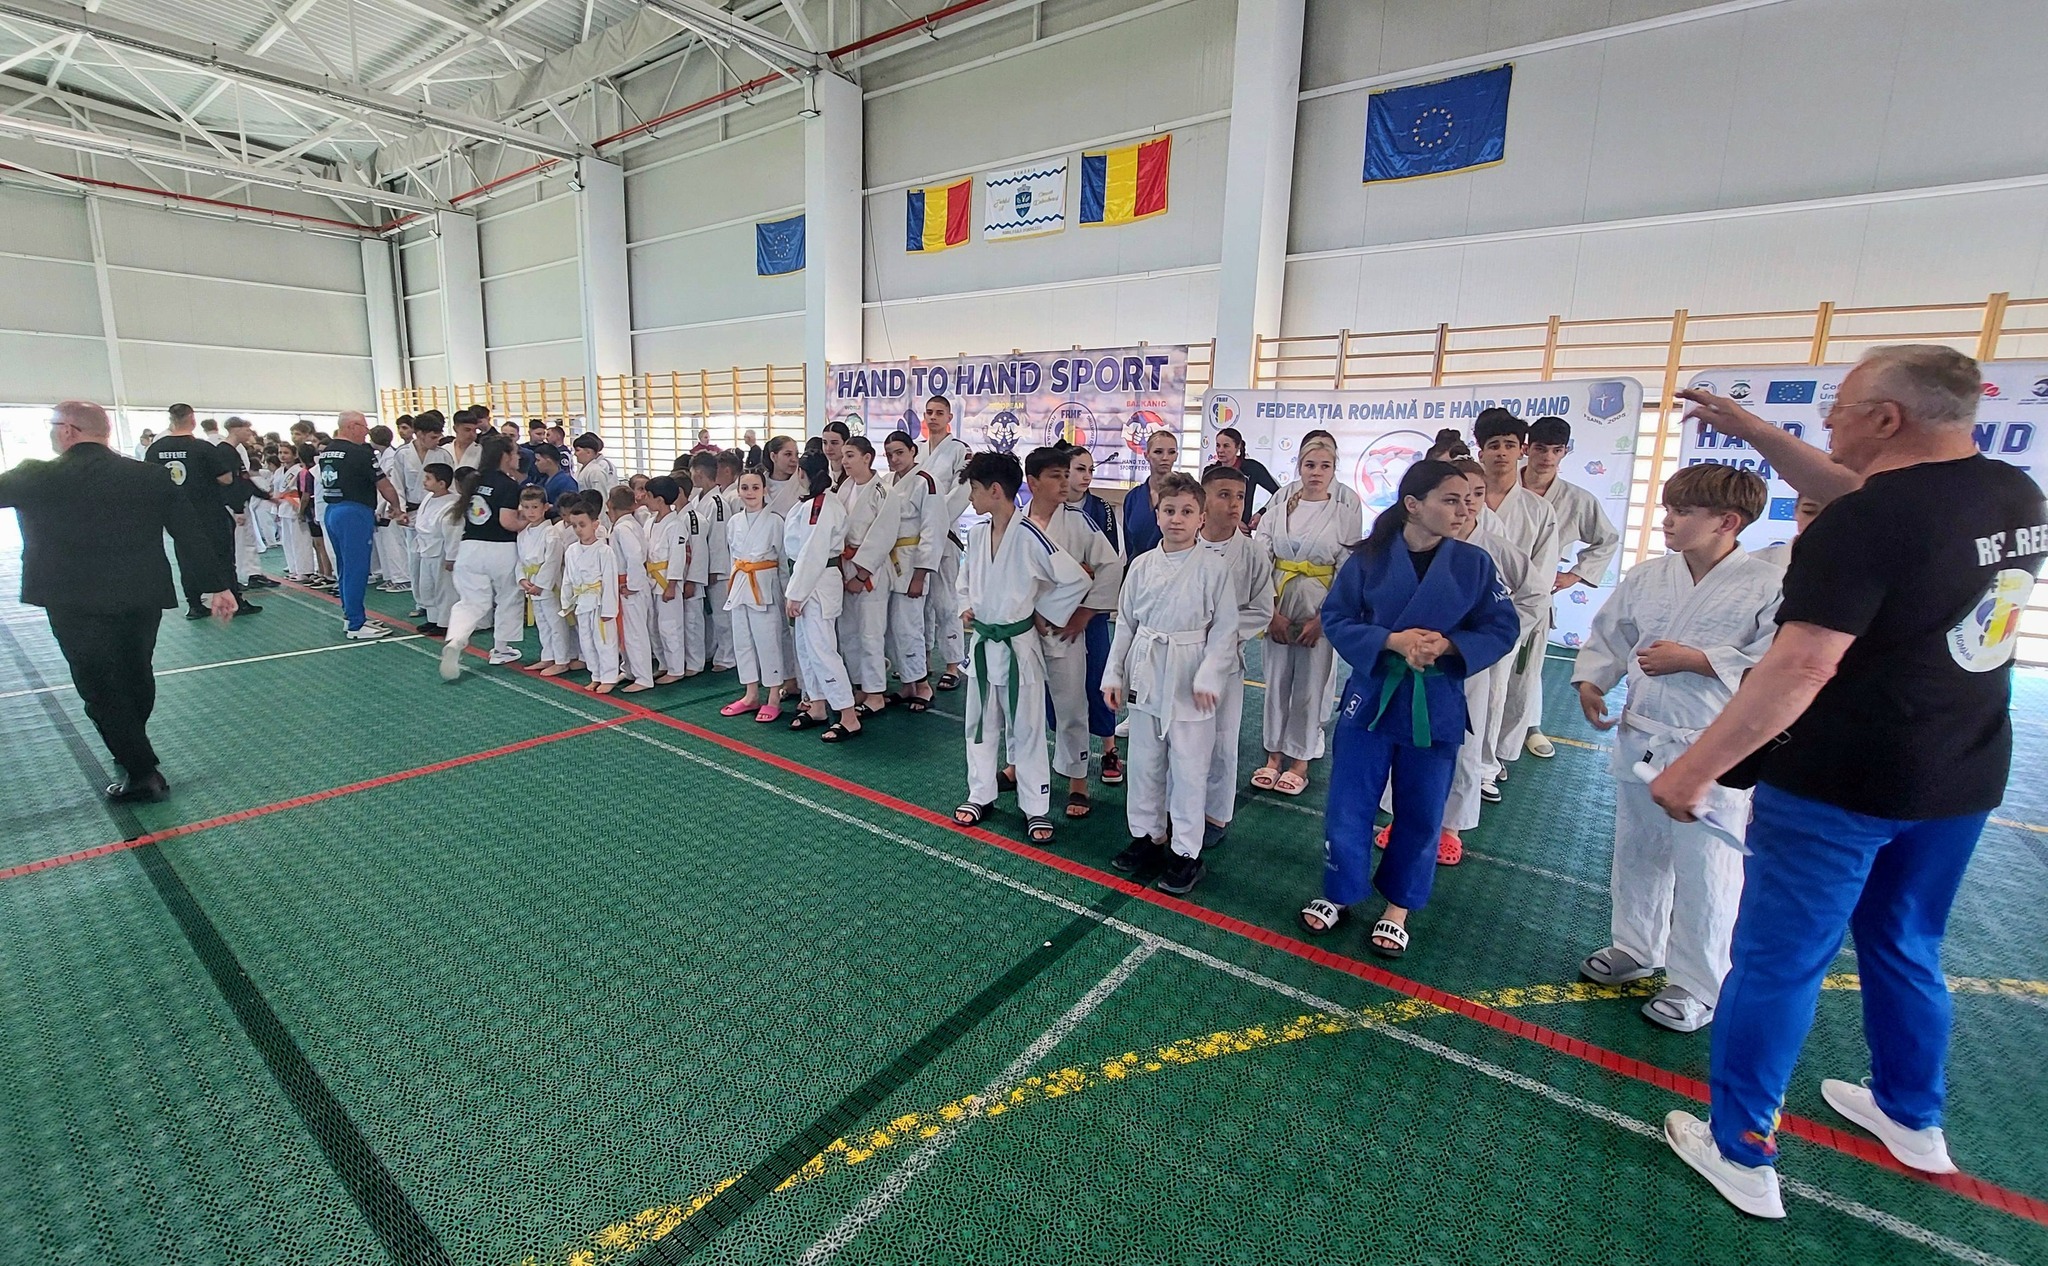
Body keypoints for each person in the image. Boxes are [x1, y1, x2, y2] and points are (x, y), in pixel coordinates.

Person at [1652, 346, 2047, 1219]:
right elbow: (1883, 501)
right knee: (1905, 944)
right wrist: (1752, 430)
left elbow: (1801, 666)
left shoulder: (1858, 525)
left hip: (1844, 781)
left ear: (1887, 419)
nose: (1828, 420)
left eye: (1841, 407)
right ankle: (1912, 1116)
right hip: (1961, 773)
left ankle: (1741, 1150)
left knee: (1777, 964)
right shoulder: (2011, 493)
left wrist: (1696, 765)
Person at [1572, 464, 1780, 1034]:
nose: (1667, 520)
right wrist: (1593, 681)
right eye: (1668, 509)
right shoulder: (1648, 576)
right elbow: (1611, 633)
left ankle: (1697, 983)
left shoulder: (1767, 585)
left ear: (1727, 522)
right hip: (1644, 735)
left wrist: (1699, 660)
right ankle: (1635, 946)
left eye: (1682, 512)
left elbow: (1778, 661)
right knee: (1638, 850)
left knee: (1708, 869)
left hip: (1713, 748)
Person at [1299, 460, 1519, 956]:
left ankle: (1398, 907)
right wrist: (1392, 640)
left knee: (1422, 810)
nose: (1464, 510)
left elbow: (1502, 627)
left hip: (1434, 702)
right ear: (1413, 505)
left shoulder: (1475, 564)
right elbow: (1336, 616)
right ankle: (1339, 891)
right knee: (1349, 802)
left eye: (1469, 500)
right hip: (1373, 696)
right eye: (1451, 500)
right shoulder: (1368, 559)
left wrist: (1449, 646)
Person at [0, 401, 237, 801]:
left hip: (73, 599)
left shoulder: (34, 475)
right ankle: (129, 743)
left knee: (97, 684)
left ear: (68, 430)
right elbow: (190, 532)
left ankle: (142, 771)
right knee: (135, 674)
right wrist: (219, 586)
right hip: (141, 594)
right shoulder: (150, 476)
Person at [1103, 471, 1239, 894]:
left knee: (1189, 768)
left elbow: (1225, 630)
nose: (1176, 519)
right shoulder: (1141, 566)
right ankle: (1148, 836)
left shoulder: (1214, 568)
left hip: (1189, 673)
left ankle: (1186, 852)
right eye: (1169, 510)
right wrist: (1114, 673)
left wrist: (1209, 675)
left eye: (1186, 511)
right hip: (1148, 670)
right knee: (1144, 763)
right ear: (1157, 514)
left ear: (1201, 518)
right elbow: (1125, 624)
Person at [952, 451, 1091, 846]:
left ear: (995, 490)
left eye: (975, 490)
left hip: (1018, 648)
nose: (971, 498)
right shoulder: (977, 533)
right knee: (979, 724)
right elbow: (965, 579)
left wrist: (1044, 612)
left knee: (1027, 730)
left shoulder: (1031, 536)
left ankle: (1036, 806)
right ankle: (980, 793)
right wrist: (967, 605)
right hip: (984, 643)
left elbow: (1076, 580)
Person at [1251, 436, 1361, 795]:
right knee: (1276, 683)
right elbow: (1261, 562)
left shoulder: (1344, 515)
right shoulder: (1278, 510)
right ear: (1298, 467)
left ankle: (1299, 760)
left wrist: (1324, 619)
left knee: (1310, 687)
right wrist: (1271, 612)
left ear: (1334, 470)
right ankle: (1273, 756)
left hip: (1320, 607)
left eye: (1324, 466)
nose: (1316, 472)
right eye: (1310, 465)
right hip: (1279, 604)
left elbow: (1348, 572)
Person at [1519, 414, 1623, 757]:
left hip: (1537, 593)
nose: (1547, 457)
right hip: (1491, 587)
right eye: (1540, 448)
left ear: (1565, 452)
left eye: (1556, 450)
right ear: (1526, 449)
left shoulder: (1577, 499)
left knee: (1528, 668)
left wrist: (1574, 576)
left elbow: (1607, 539)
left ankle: (1528, 727)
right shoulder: (1502, 488)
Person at [1473, 409, 1562, 778]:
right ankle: (1465, 760)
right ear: (1480, 451)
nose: (1502, 452)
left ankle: (1488, 763)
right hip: (1464, 612)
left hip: (1512, 611)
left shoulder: (1538, 510)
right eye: (1493, 445)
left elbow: (1540, 575)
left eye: (1509, 445)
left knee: (1503, 690)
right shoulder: (1464, 499)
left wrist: (1514, 621)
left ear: (1521, 450)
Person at [1035, 447, 1122, 819]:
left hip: (1066, 629)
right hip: (1024, 630)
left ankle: (1077, 782)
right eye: (1056, 476)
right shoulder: (1016, 522)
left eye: (1065, 474)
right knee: (1022, 707)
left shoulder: (1080, 520)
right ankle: (1018, 766)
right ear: (1033, 482)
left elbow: (1111, 566)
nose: (1065, 482)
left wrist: (1086, 613)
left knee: (1072, 705)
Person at [1195, 464, 1274, 851]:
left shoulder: (1253, 553)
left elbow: (1262, 609)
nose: (1234, 504)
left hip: (1226, 659)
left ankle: (1215, 814)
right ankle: (1178, 807)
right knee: (1180, 739)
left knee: (1222, 741)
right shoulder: (1183, 543)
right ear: (1204, 500)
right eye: (1224, 495)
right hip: (1180, 656)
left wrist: (1220, 632)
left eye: (1240, 497)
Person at [145, 403, 255, 620]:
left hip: (176, 515)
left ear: (171, 420)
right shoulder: (202, 448)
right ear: (192, 420)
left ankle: (194, 604)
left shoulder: (155, 449)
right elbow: (226, 478)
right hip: (208, 512)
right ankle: (233, 600)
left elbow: (150, 481)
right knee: (223, 557)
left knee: (186, 558)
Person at [784, 453, 863, 741]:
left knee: (822, 649)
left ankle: (848, 715)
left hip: (817, 581)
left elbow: (814, 551)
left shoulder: (822, 504)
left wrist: (796, 594)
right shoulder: (809, 502)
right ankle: (816, 704)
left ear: (802, 473)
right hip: (808, 579)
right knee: (806, 647)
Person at [438, 434, 528, 679]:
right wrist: (528, 520)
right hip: (501, 549)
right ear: (504, 456)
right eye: (515, 452)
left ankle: (456, 640)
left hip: (470, 549)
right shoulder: (508, 485)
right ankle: (501, 649)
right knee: (508, 598)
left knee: (471, 602)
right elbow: (508, 522)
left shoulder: (474, 480)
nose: (518, 456)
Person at [1065, 446, 1126, 785]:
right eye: (1079, 469)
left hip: (1093, 607)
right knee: (1056, 684)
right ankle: (1060, 752)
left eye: (1090, 469)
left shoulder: (1100, 508)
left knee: (1099, 677)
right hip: (1056, 610)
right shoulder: (1047, 507)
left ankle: (1109, 748)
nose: (1086, 476)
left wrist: (1083, 574)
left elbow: (1109, 558)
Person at [872, 431, 944, 712]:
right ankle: (906, 684)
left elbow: (933, 529)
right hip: (887, 561)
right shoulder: (885, 482)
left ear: (913, 451)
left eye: (900, 452)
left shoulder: (926, 482)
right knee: (890, 629)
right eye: (889, 454)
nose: (894, 459)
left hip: (912, 562)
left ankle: (923, 685)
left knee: (909, 626)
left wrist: (920, 574)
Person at [315, 412, 404, 641]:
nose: (366, 433)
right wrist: (396, 507)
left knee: (344, 567)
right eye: (364, 427)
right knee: (357, 569)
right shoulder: (360, 453)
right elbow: (383, 484)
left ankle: (350, 615)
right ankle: (356, 624)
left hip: (332, 509)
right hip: (354, 512)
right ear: (352, 426)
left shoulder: (327, 451)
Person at [719, 469, 788, 722]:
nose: (750, 493)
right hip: (740, 584)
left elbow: (784, 561)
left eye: (755, 488)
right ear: (738, 491)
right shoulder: (734, 522)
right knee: (743, 641)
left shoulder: (776, 522)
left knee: (768, 641)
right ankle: (750, 694)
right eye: (745, 488)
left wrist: (786, 593)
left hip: (765, 585)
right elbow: (732, 558)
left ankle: (773, 697)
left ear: (765, 490)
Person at [836, 437, 895, 715]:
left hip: (871, 571)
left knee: (871, 633)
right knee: (848, 631)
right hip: (844, 565)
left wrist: (861, 575)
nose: (844, 461)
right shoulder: (844, 488)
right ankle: (860, 683)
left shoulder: (884, 491)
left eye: (850, 455)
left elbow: (883, 536)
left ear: (867, 457)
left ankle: (876, 692)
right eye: (843, 456)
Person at [918, 395, 973, 691]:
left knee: (944, 601)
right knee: (919, 602)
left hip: (945, 534)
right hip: (916, 536)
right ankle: (922, 660)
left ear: (949, 417)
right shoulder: (916, 449)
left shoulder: (959, 451)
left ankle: (953, 663)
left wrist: (935, 522)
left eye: (939, 413)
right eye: (929, 412)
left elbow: (962, 491)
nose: (933, 417)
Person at [558, 495, 621, 693]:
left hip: (600, 603)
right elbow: (567, 579)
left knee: (604, 641)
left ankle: (609, 677)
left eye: (582, 524)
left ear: (595, 524)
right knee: (586, 642)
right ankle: (596, 675)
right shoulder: (571, 551)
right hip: (582, 602)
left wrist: (609, 610)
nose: (578, 529)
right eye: (574, 525)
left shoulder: (604, 551)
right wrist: (566, 603)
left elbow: (610, 582)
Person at [605, 485, 657, 692]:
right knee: (625, 631)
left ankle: (644, 677)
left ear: (610, 504)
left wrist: (632, 585)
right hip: (626, 583)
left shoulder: (623, 528)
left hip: (629, 585)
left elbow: (635, 556)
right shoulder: (627, 524)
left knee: (635, 632)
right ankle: (629, 669)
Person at [645, 476, 693, 683]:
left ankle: (676, 669)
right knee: (653, 626)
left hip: (667, 582)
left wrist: (672, 585)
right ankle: (663, 664)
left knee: (670, 627)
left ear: (660, 500)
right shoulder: (649, 522)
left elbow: (677, 557)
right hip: (650, 580)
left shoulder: (676, 525)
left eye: (648, 495)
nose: (644, 499)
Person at [515, 487, 569, 671]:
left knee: (555, 622)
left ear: (545, 507)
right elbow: (520, 560)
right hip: (531, 583)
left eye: (535, 507)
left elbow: (553, 560)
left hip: (548, 586)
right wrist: (522, 579)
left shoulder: (551, 533)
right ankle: (548, 656)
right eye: (526, 507)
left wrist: (541, 585)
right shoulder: (523, 534)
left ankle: (562, 660)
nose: (530, 512)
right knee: (542, 623)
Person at [1119, 429, 1182, 562]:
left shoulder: (1184, 496)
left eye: (1171, 452)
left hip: (1175, 566)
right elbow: (1129, 543)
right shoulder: (1133, 497)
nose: (1165, 458)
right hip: (1138, 566)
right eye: (1158, 452)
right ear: (1146, 455)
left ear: (1176, 456)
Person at [412, 462, 459, 636]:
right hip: (425, 548)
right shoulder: (428, 498)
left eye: (428, 478)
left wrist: (451, 557)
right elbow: (422, 522)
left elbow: (453, 533)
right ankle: (433, 618)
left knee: (444, 588)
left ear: (442, 483)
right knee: (427, 586)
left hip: (441, 551)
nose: (424, 481)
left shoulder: (453, 504)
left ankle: (445, 622)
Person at [1213, 426, 1279, 525]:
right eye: (1218, 445)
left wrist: (1261, 513)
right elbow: (1205, 502)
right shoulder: (1210, 471)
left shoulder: (1252, 468)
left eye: (1226, 446)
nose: (1220, 450)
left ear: (1237, 447)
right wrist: (1232, 522)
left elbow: (1279, 493)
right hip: (1216, 527)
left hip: (1242, 529)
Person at [761, 435, 803, 516]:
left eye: (796, 455)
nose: (794, 459)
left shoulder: (803, 486)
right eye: (788, 454)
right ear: (773, 456)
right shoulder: (759, 484)